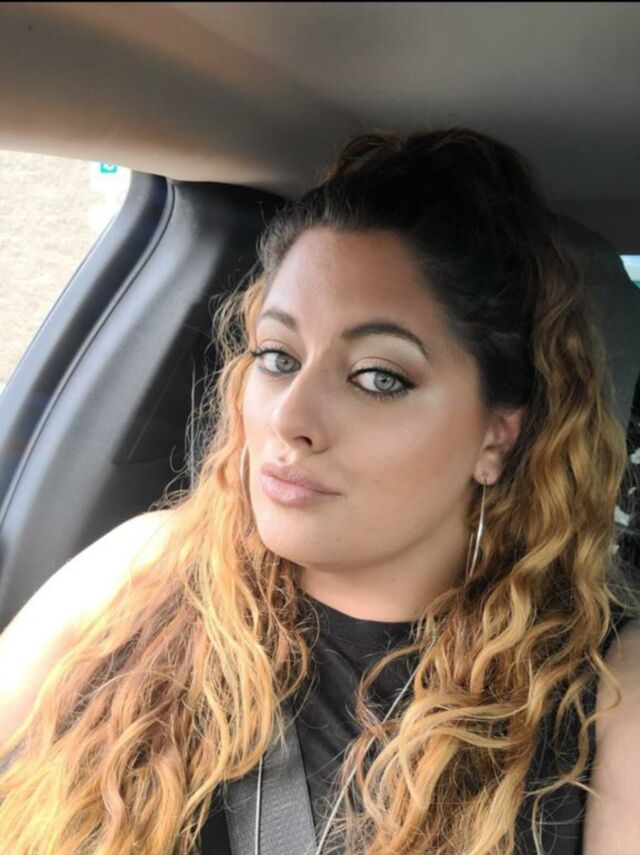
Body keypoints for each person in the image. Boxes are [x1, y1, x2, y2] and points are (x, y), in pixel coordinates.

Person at [0, 127, 638, 855]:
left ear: (496, 437)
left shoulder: (608, 692)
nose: (290, 418)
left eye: (378, 377)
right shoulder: (144, 569)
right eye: (278, 357)